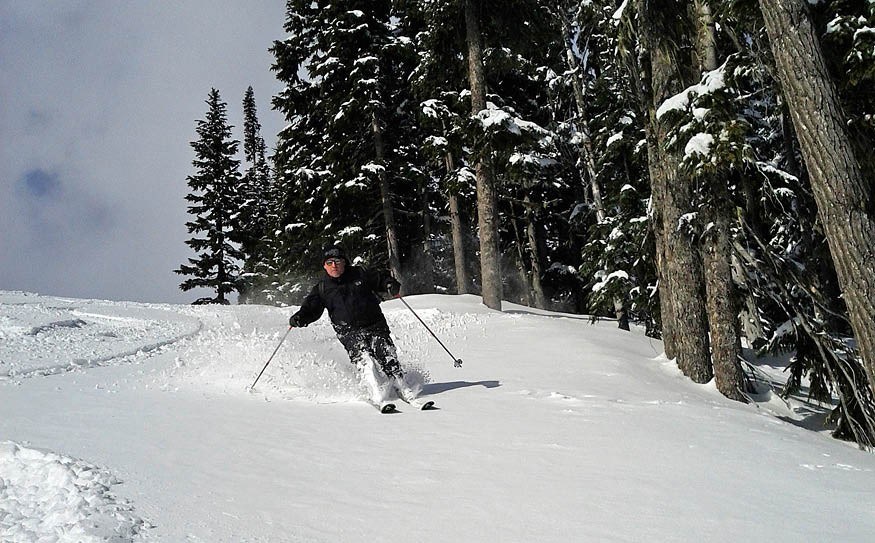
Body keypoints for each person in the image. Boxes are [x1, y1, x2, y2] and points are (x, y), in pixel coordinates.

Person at [288, 245, 419, 406]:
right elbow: (312, 308)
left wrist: (390, 285)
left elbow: (381, 278)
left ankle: (401, 385)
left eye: (337, 261)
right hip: (347, 330)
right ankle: (376, 392)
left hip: (374, 323)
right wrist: (301, 317)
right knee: (364, 359)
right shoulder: (322, 288)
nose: (334, 265)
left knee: (385, 352)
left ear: (345, 262)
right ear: (324, 266)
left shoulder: (360, 274)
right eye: (329, 262)